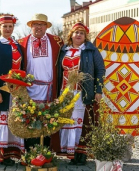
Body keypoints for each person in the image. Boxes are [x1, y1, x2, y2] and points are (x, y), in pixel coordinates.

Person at [57, 22, 105, 165]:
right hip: (65, 91)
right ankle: (69, 152)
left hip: (83, 92)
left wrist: (98, 90)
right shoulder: (63, 51)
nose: (78, 35)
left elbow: (100, 70)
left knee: (82, 123)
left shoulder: (91, 50)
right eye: (76, 32)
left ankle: (82, 153)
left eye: (82, 33)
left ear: (85, 37)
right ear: (70, 35)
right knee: (67, 120)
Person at [18, 13, 64, 150]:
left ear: (46, 27)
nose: (38, 27)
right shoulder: (21, 43)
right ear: (31, 26)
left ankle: (46, 150)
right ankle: (30, 149)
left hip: (49, 88)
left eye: (42, 24)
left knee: (48, 118)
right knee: (29, 117)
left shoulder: (57, 41)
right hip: (30, 88)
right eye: (35, 24)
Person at [0, 14, 24, 166]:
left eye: (10, 26)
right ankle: (3, 155)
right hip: (2, 90)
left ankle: (16, 152)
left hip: (17, 91)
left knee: (16, 120)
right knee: (4, 121)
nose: (8, 29)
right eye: (5, 26)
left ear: (13, 28)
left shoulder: (18, 45)